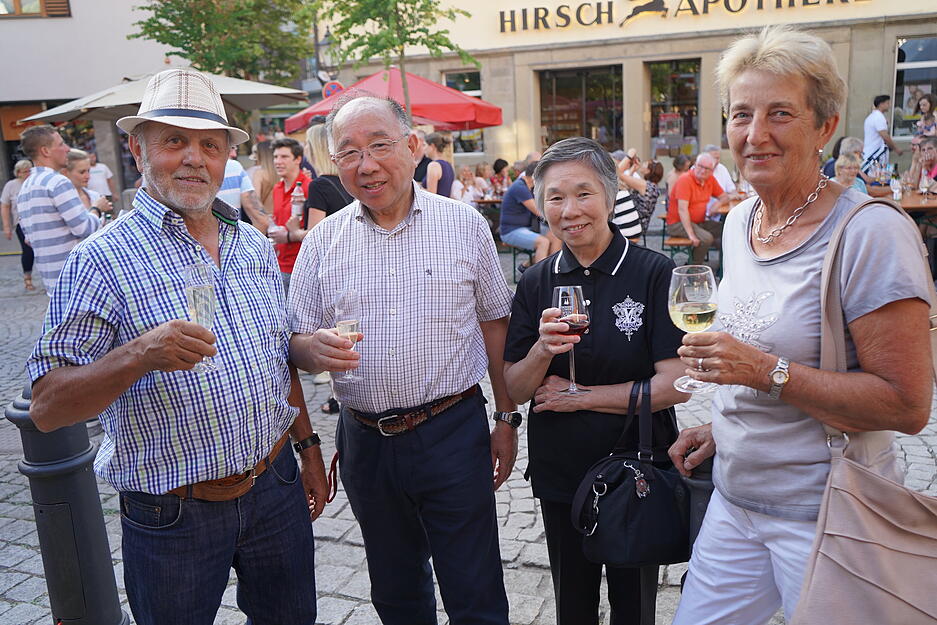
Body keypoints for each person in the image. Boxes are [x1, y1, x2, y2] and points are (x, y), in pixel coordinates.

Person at [25, 67, 327, 625]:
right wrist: (138, 354)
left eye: (209, 145)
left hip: (274, 484)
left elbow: (275, 359)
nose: (194, 158)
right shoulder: (100, 259)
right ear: (139, 152)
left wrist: (306, 447)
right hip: (174, 512)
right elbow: (46, 408)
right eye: (174, 141)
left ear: (225, 160)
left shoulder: (251, 246)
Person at [667, 27, 933, 625]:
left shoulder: (869, 233)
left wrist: (762, 374)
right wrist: (727, 423)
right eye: (741, 114)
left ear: (824, 126)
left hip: (827, 513)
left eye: (779, 114)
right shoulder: (741, 224)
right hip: (734, 503)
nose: (755, 134)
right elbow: (764, 344)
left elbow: (907, 405)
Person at [287, 94, 517, 625]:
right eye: (349, 152)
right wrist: (310, 349)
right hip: (365, 440)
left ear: (413, 147)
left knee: (475, 589)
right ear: (334, 164)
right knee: (395, 593)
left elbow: (495, 324)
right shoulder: (322, 242)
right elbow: (293, 343)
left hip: (452, 430)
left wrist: (505, 419)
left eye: (380, 145)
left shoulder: (464, 225)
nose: (366, 165)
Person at [503, 136, 688, 625]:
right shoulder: (535, 281)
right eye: (555, 198)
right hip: (560, 472)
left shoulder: (653, 272)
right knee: (573, 606)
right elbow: (516, 389)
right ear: (541, 207)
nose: (570, 210)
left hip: (637, 471)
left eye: (583, 193)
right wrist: (542, 350)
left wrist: (580, 398)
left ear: (609, 196)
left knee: (634, 609)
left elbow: (675, 384)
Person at [16, 125, 109, 292]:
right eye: (61, 144)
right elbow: (84, 228)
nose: (67, 149)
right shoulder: (57, 182)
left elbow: (28, 239)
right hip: (75, 277)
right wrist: (97, 208)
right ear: (45, 151)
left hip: (52, 280)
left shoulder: (26, 186)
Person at [666, 153, 730, 263]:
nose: (703, 170)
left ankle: (725, 265)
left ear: (712, 170)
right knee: (706, 238)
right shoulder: (685, 180)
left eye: (707, 168)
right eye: (700, 166)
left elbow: (724, 197)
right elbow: (682, 210)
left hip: (698, 222)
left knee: (727, 229)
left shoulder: (710, 179)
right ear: (695, 165)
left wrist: (717, 205)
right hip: (678, 224)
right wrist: (691, 235)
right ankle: (694, 269)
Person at [271, 137, 313, 291]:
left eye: (284, 157)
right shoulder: (277, 188)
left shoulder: (310, 187)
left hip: (301, 268)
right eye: (275, 157)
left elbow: (315, 231)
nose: (278, 161)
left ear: (298, 159)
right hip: (279, 265)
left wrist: (289, 236)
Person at [500, 161, 561, 264]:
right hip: (510, 231)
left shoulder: (529, 187)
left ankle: (551, 270)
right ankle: (541, 277)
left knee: (556, 236)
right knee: (543, 242)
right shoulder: (520, 187)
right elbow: (538, 211)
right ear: (535, 176)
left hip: (527, 228)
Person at [1, 159, 35, 290]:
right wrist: (6, 226)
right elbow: (5, 206)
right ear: (18, 173)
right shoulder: (11, 185)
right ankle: (28, 278)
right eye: (25, 171)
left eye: (29, 171)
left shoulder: (33, 183)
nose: (28, 174)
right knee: (27, 251)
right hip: (21, 223)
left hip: (35, 222)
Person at [217, 145, 268, 231]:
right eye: (231, 147)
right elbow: (260, 220)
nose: (234, 154)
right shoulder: (234, 167)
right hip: (231, 239)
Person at [64, 149, 112, 214]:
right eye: (82, 172)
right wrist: (96, 209)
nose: (88, 176)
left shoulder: (95, 196)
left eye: (88, 171)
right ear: (66, 172)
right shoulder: (63, 200)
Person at [862, 94, 903, 167]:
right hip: (875, 155)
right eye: (887, 103)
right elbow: (885, 136)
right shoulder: (878, 117)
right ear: (881, 104)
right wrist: (896, 149)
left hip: (872, 153)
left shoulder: (873, 116)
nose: (889, 106)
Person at [422, 132, 455, 198]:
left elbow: (431, 195)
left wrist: (416, 189)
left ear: (432, 146)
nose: (423, 148)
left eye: (424, 145)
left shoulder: (433, 165)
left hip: (436, 207)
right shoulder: (449, 165)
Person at [250, 140, 276, 216]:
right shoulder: (282, 172)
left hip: (267, 217)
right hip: (283, 217)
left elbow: (255, 199)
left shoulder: (259, 173)